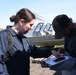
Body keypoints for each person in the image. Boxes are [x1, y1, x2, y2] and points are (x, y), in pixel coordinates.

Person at [0, 8, 53, 75]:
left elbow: (35, 52)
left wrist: (51, 51)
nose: (32, 28)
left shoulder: (24, 39)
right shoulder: (3, 37)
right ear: (21, 22)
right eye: (31, 25)